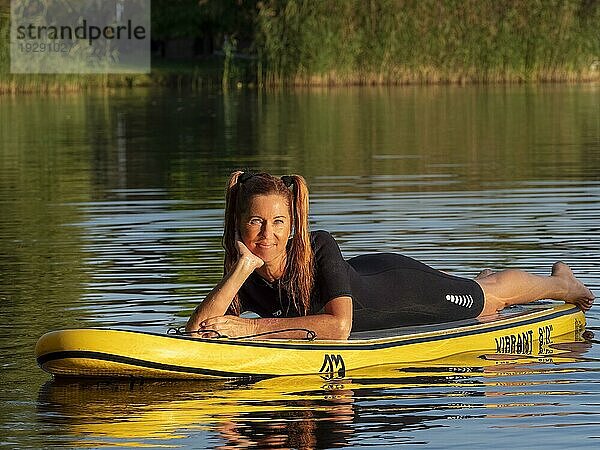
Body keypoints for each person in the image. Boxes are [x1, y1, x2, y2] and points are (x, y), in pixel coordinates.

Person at [186, 171, 594, 340]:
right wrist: (239, 272)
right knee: (477, 290)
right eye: (255, 223)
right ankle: (474, 277)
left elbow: (339, 326)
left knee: (486, 300)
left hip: (399, 289)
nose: (266, 234)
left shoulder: (319, 245)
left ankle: (562, 282)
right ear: (239, 225)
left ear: (292, 225)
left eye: (277, 222)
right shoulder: (243, 263)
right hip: (362, 274)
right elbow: (197, 333)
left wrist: (251, 330)